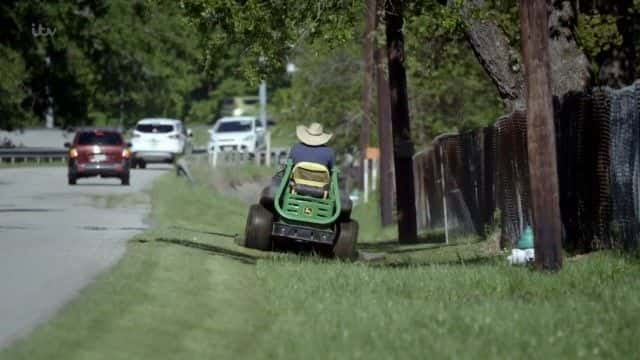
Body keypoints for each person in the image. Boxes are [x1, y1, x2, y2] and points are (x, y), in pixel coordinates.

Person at [259, 122, 350, 215]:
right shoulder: (329, 152)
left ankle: (277, 211)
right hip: (321, 190)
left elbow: (289, 169)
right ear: (321, 137)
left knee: (277, 180)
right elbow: (332, 172)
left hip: (297, 186)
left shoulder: (296, 148)